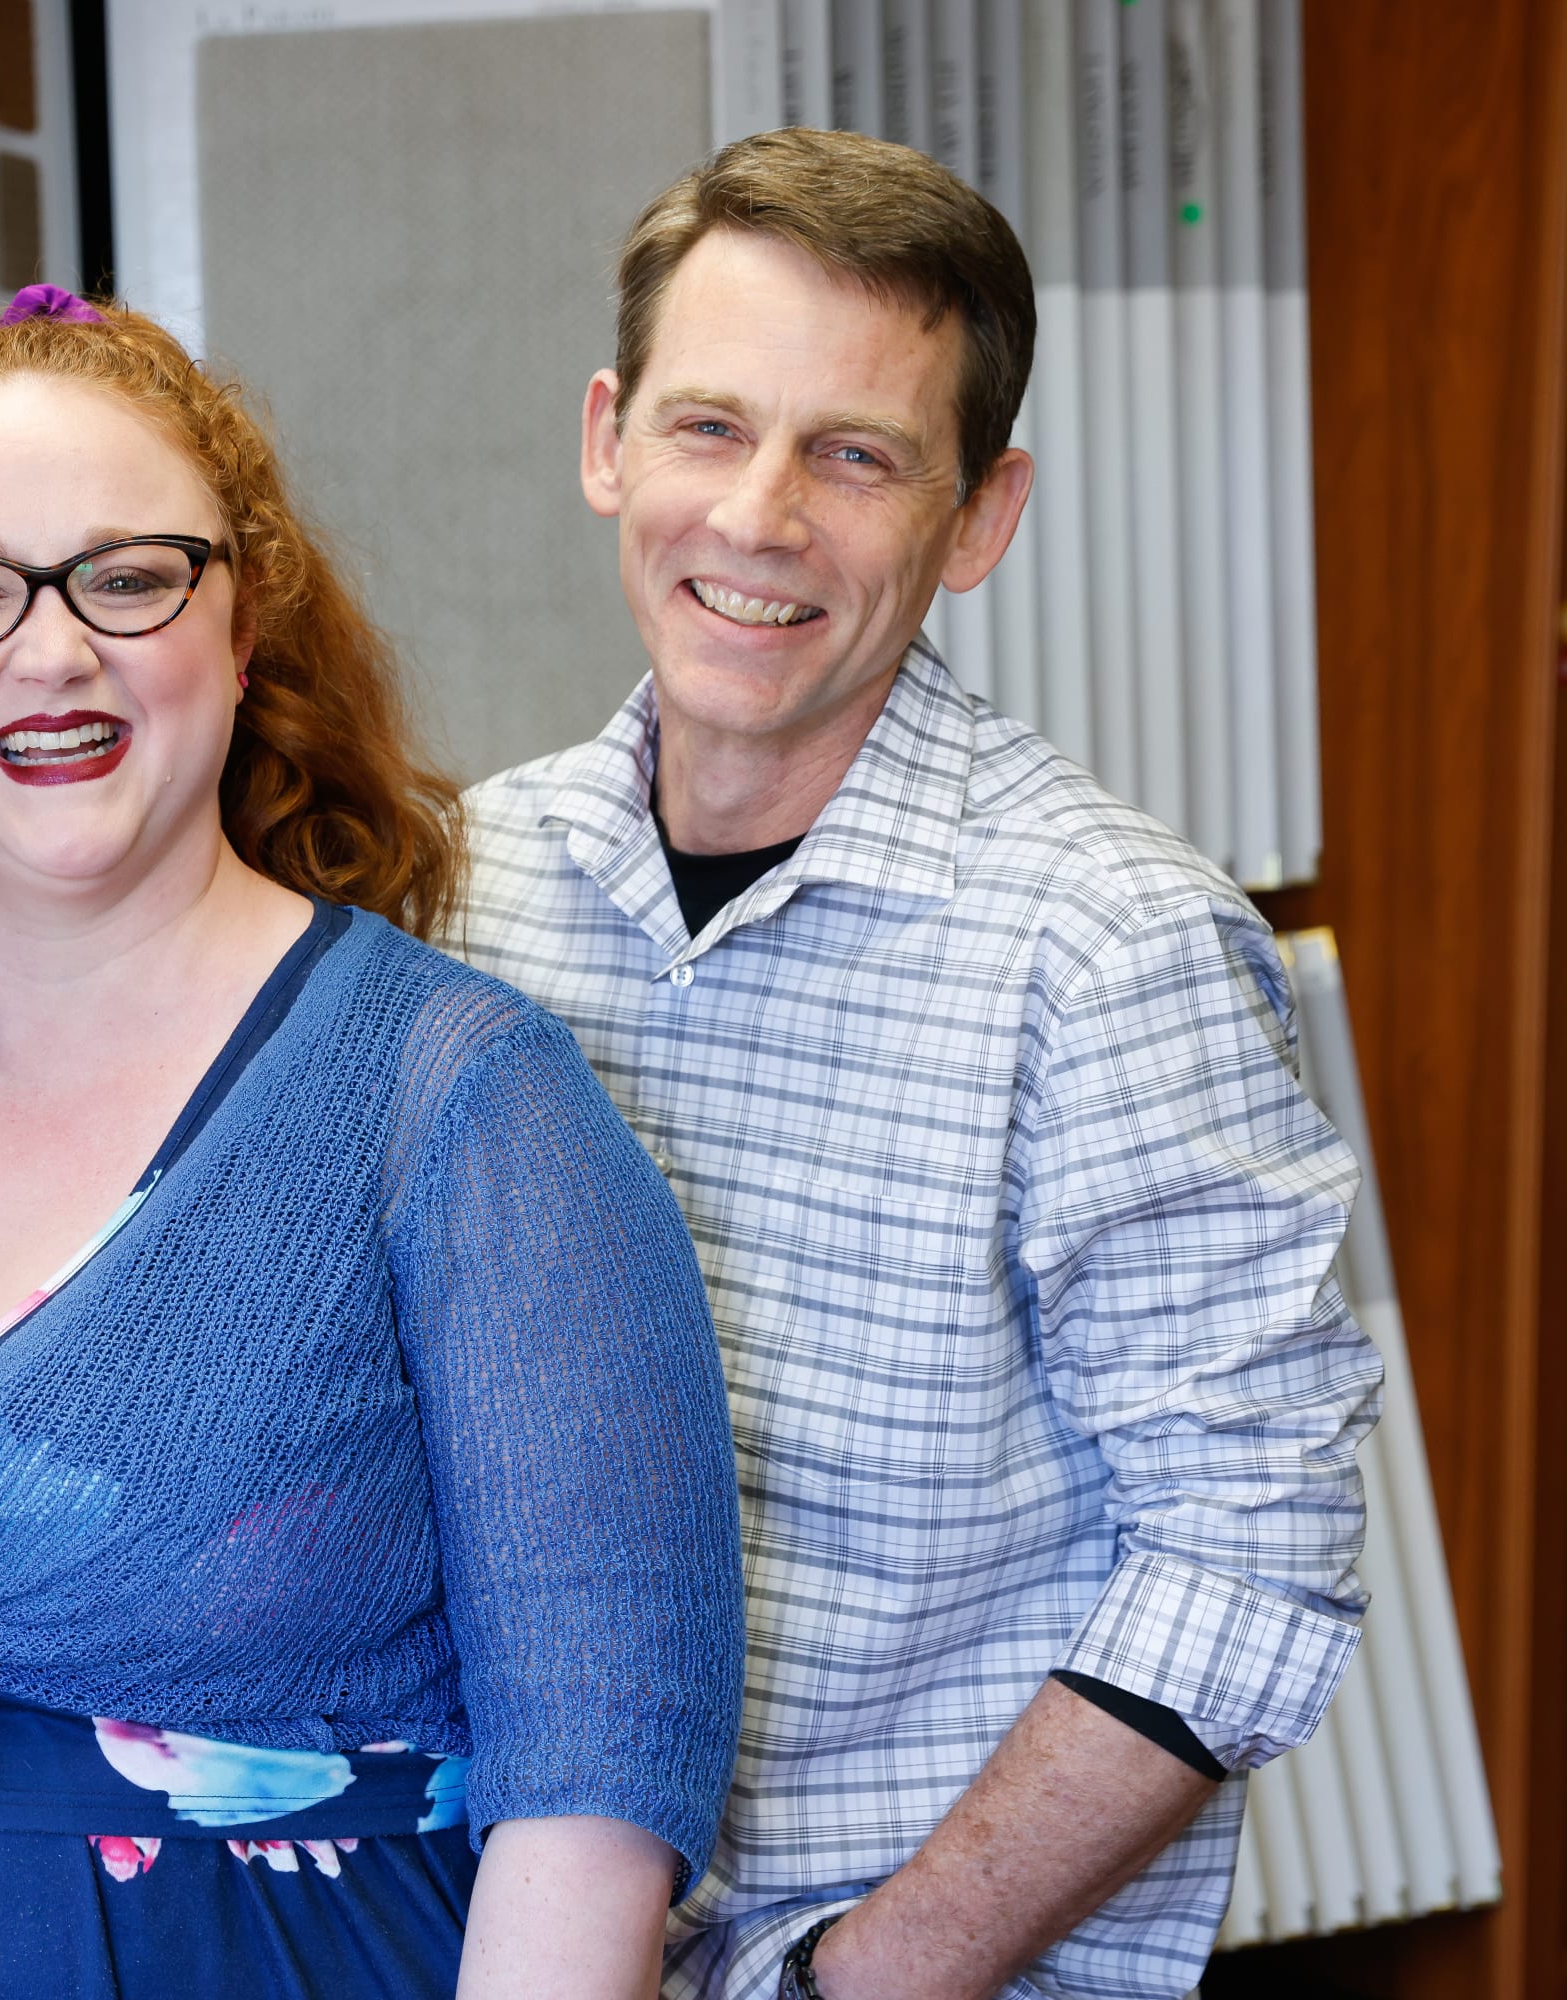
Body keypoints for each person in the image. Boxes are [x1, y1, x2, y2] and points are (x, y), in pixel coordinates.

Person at [0, 284, 746, 2000]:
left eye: (131, 574)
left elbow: (595, 1803)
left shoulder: (466, 1109)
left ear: (242, 632)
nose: (52, 648)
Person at [459, 129, 1380, 2000]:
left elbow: (1252, 1557)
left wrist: (863, 1981)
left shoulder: (1113, 951)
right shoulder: (463, 891)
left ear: (981, 517)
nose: (762, 516)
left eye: (857, 454)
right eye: (708, 427)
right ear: (605, 442)